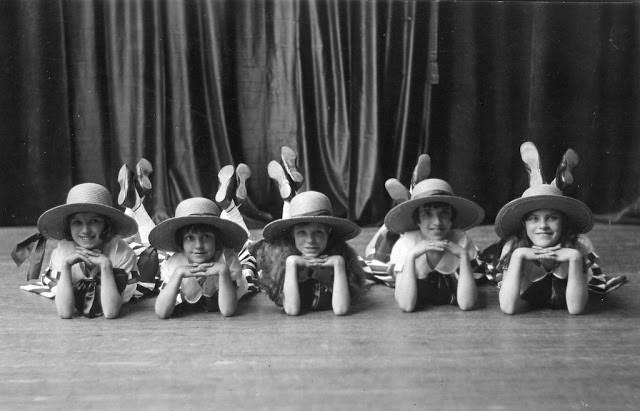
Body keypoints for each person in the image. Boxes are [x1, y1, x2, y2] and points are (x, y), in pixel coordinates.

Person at [253, 146, 367, 316]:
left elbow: (341, 309)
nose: (311, 241)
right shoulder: (281, 259)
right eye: (302, 233)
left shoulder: (341, 255)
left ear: (329, 232)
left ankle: (290, 192)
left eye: (318, 233)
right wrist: (291, 263)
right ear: (292, 235)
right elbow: (291, 309)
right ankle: (289, 194)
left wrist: (338, 263)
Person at [496, 141, 595, 315]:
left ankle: (554, 176)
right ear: (524, 224)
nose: (543, 226)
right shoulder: (514, 247)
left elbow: (575, 308)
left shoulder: (577, 245)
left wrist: (574, 258)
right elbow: (507, 307)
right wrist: (519, 256)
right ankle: (555, 177)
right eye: (534, 219)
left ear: (563, 222)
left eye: (552, 218)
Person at [385, 158, 485, 312]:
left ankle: (415, 192)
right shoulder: (405, 244)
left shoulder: (461, 239)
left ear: (452, 218)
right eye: (427, 214)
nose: (437, 222)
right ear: (417, 221)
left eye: (444, 214)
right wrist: (411, 256)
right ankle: (410, 195)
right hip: (401, 253)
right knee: (381, 243)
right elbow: (406, 305)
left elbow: (467, 304)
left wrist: (464, 256)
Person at [36, 183, 140, 319]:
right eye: (77, 222)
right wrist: (66, 266)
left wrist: (105, 266)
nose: (85, 230)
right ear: (69, 226)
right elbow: (65, 312)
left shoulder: (122, 254)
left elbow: (110, 312)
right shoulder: (62, 253)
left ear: (106, 225)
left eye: (94, 221)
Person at [150, 197, 249, 318]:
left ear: (216, 241)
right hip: (191, 294)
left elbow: (227, 310)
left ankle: (231, 207)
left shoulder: (228, 259)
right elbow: (162, 312)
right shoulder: (173, 264)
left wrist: (223, 272)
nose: (199, 246)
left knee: (248, 259)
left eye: (206, 237)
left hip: (233, 284)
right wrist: (178, 274)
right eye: (190, 238)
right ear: (181, 244)